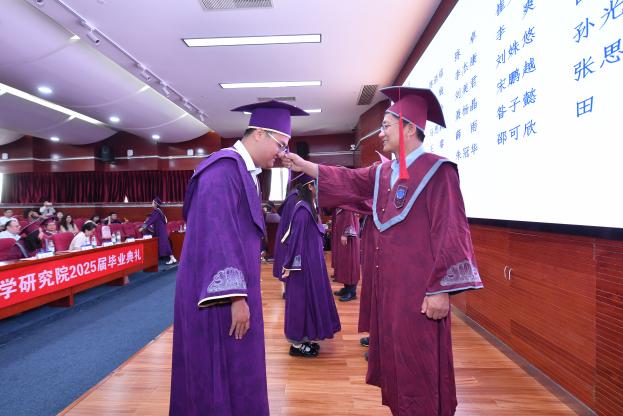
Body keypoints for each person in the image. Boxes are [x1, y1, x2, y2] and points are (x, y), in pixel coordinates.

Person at [282, 86, 484, 416]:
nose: (381, 134)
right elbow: (349, 180)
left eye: (387, 126)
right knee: (395, 359)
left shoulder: (438, 171)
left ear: (409, 128)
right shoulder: (384, 172)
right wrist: (305, 165)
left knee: (418, 359)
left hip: (420, 292)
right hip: (389, 291)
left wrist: (440, 291)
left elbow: (451, 231)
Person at [169, 100, 308, 416]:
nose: (282, 154)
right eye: (280, 144)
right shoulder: (222, 172)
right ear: (259, 133)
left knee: (238, 369)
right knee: (218, 371)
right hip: (216, 296)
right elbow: (217, 237)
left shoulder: (242, 171)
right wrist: (236, 298)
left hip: (234, 290)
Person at [278, 175, 341, 357]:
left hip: (312, 264)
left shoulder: (309, 206)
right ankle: (296, 344)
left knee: (310, 302)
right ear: (310, 187)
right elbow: (295, 239)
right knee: (300, 303)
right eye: (318, 184)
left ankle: (306, 337)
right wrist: (290, 265)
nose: (321, 187)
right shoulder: (302, 210)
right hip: (302, 267)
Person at [331, 208, 361, 302]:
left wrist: (345, 233)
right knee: (344, 263)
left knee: (350, 263)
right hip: (342, 234)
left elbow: (350, 214)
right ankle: (347, 288)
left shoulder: (349, 202)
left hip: (349, 238)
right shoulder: (343, 201)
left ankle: (352, 292)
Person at [139, 198, 176, 265]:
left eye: (153, 202)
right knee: (163, 244)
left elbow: (150, 220)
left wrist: (143, 227)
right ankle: (171, 258)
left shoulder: (156, 212)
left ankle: (172, 258)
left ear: (156, 204)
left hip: (160, 231)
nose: (152, 203)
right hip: (162, 230)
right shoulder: (160, 211)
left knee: (164, 244)